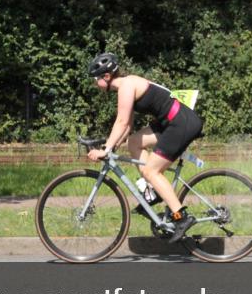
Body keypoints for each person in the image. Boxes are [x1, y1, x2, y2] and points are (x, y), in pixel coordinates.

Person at [85, 52, 204, 243]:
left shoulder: (126, 86)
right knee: (134, 142)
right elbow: (128, 128)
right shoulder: (125, 86)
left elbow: (121, 121)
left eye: (96, 79)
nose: (94, 83)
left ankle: (181, 217)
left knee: (151, 171)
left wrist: (105, 149)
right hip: (171, 121)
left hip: (180, 122)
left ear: (107, 77)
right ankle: (153, 192)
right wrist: (112, 147)